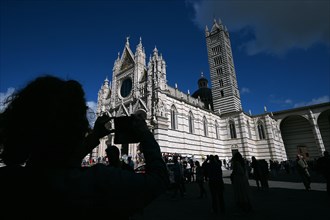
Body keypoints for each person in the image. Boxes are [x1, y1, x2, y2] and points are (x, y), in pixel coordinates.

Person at [0, 75, 169, 218]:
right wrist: (145, 134)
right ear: (77, 129)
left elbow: (61, 162)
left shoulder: (9, 181)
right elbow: (159, 180)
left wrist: (94, 137)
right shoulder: (99, 181)